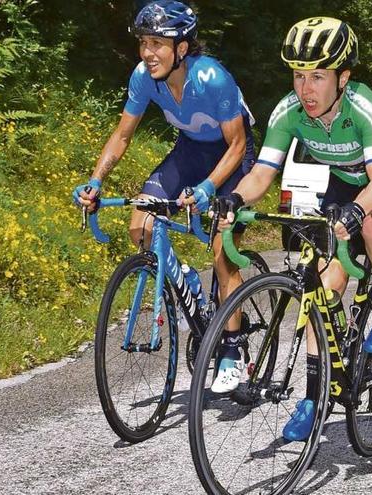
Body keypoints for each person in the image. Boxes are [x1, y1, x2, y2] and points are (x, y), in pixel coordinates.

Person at [212, 17, 372, 440]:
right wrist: (234, 199)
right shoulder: (288, 112)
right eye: (298, 76)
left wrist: (356, 213)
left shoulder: (363, 106)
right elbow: (262, 174)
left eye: (317, 77)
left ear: (343, 78)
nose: (305, 89)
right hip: (346, 179)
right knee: (321, 292)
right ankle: (315, 397)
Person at [72, 1, 256, 392]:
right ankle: (186, 280)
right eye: (143, 42)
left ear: (182, 49)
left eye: (158, 43)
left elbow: (237, 144)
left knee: (224, 256)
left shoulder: (213, 78)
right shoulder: (144, 77)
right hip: (189, 150)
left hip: (233, 156)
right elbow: (122, 135)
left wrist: (208, 188)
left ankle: (233, 350)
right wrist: (96, 181)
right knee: (140, 224)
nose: (147, 52)